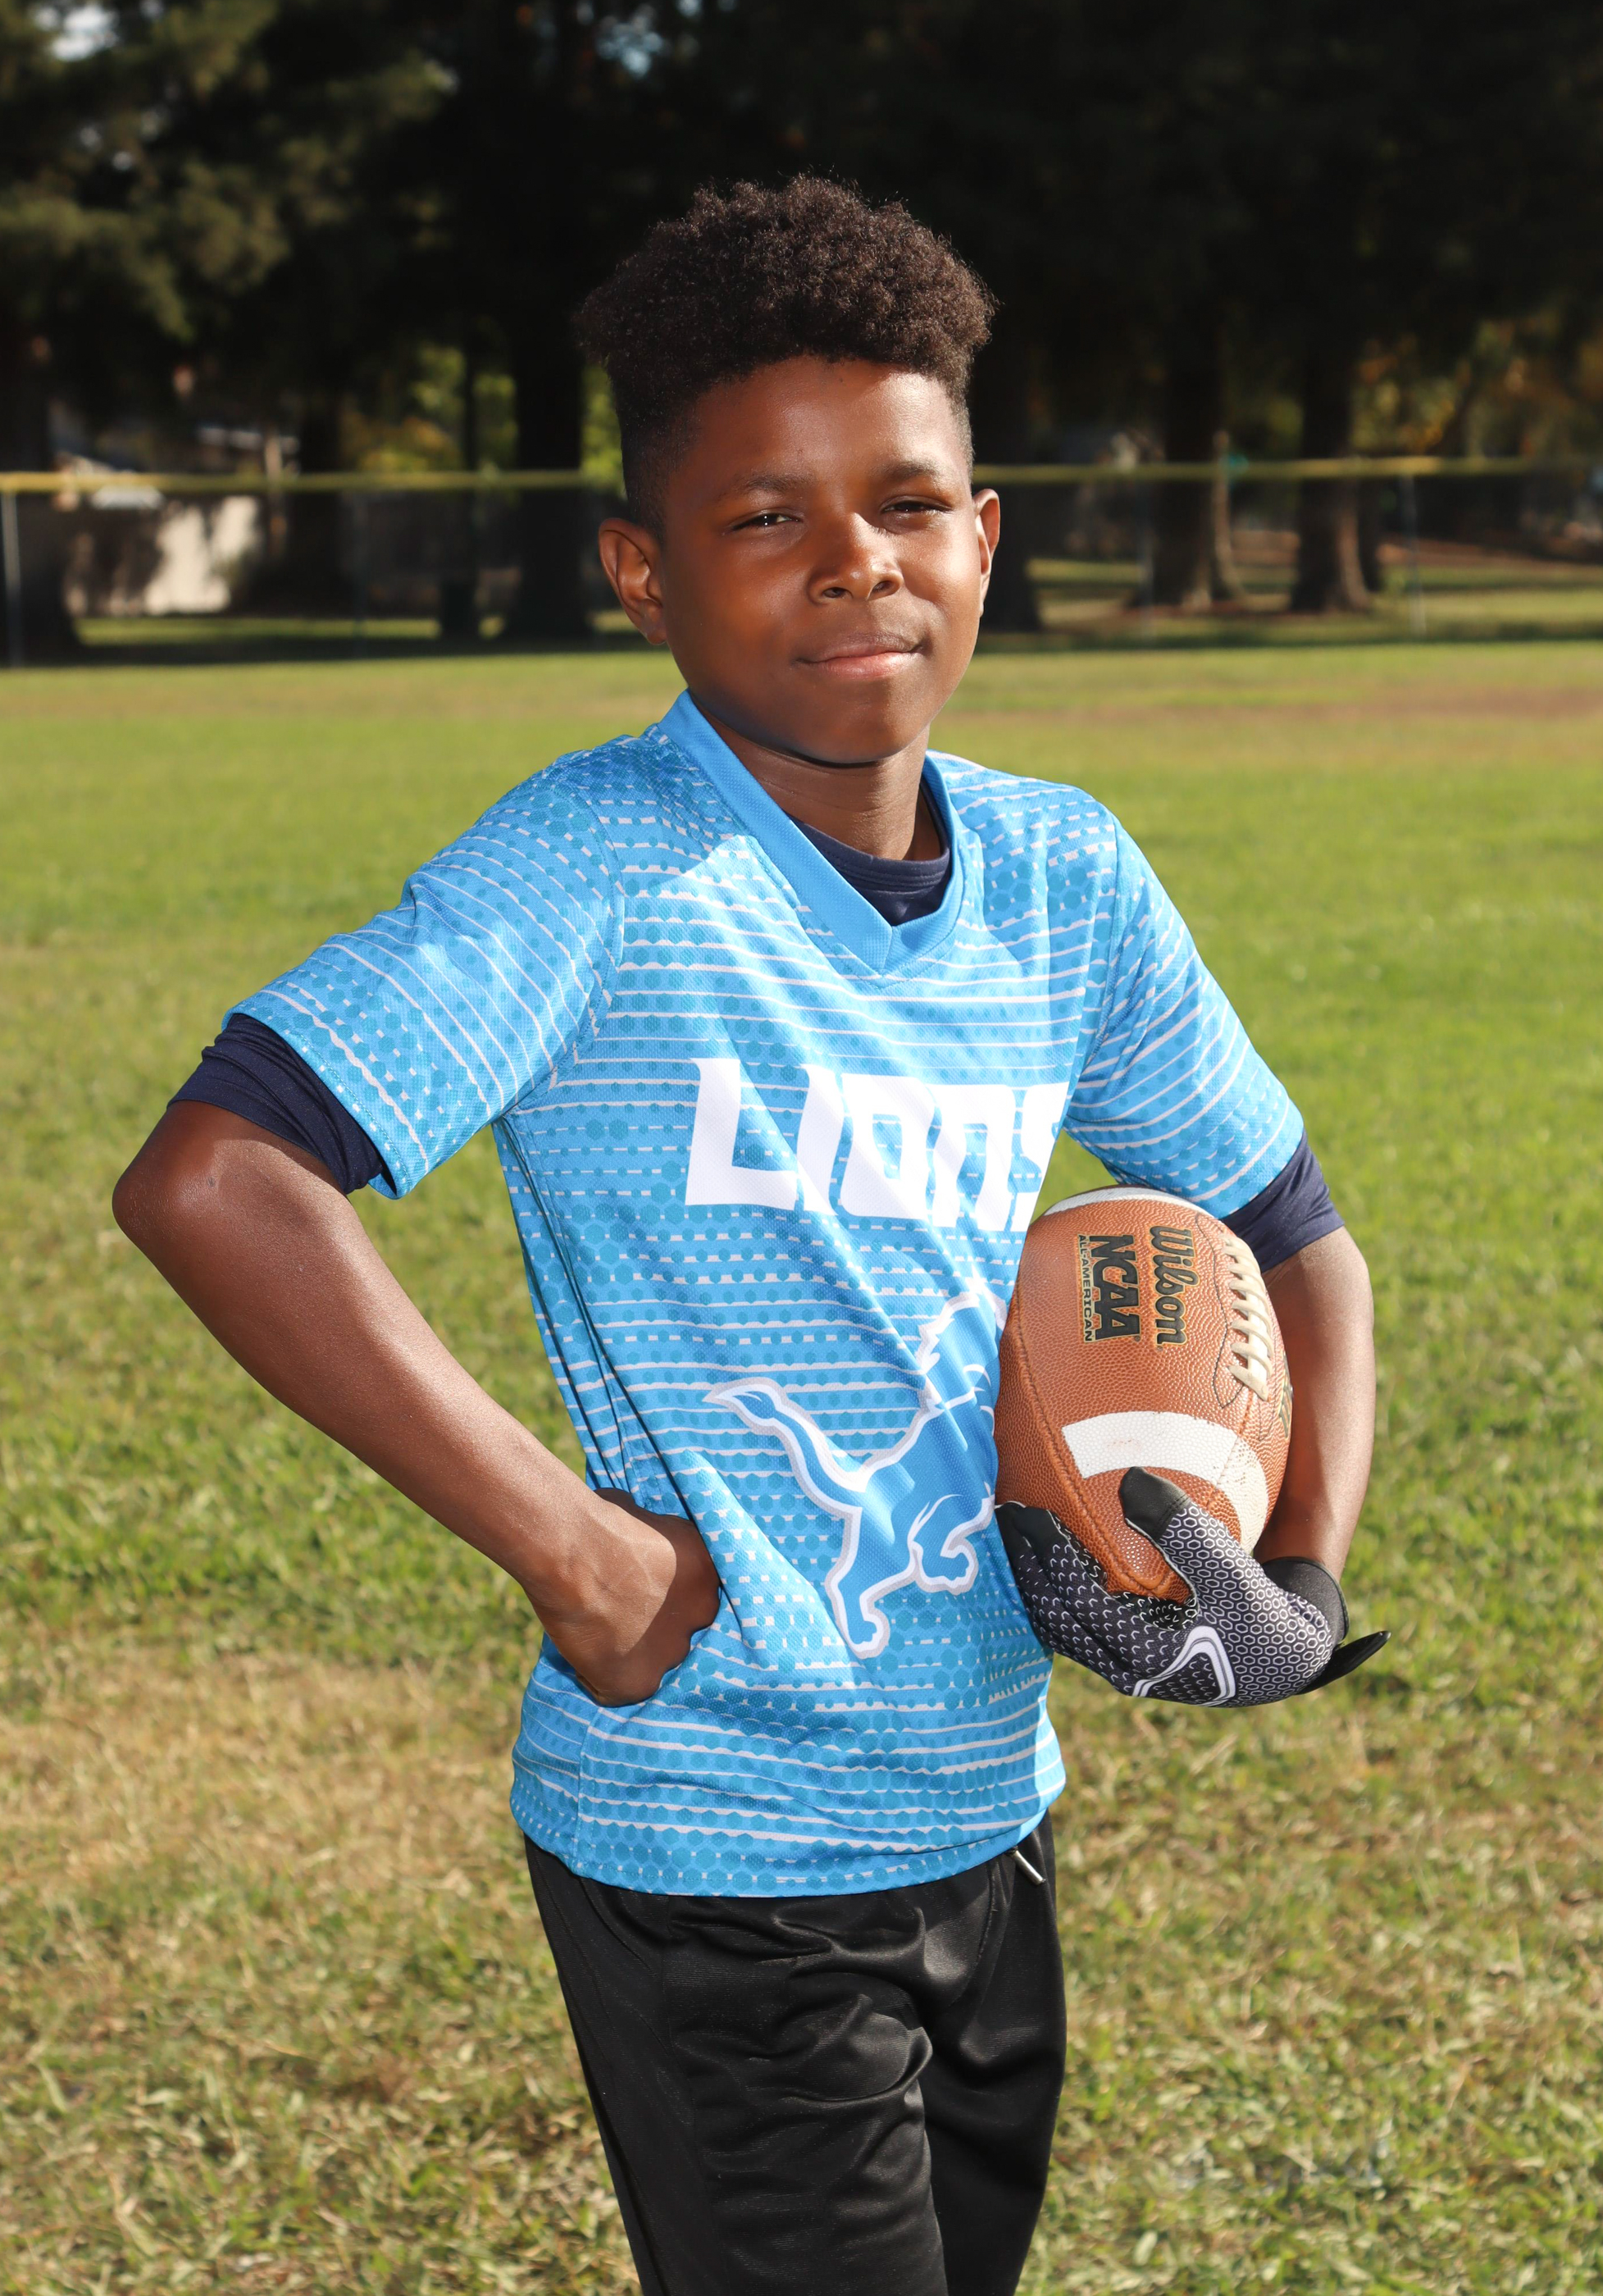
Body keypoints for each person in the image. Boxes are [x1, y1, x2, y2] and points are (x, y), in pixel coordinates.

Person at [113, 178, 1377, 2296]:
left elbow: (1295, 1237)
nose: (857, 560)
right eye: (767, 516)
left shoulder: (1067, 881)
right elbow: (219, 1181)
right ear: (643, 567)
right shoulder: (598, 872)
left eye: (909, 503)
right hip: (717, 1848)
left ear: (987, 538)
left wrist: (1301, 1580)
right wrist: (578, 1555)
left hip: (989, 1807)